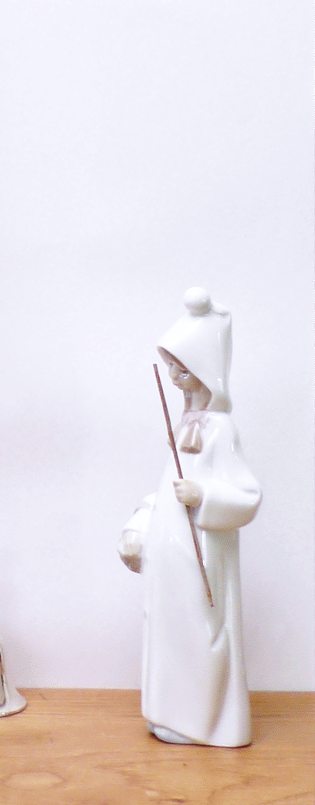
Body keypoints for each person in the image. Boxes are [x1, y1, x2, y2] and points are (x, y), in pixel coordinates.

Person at [118, 288, 261, 746]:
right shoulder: (184, 426)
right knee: (170, 633)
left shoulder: (220, 429)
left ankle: (202, 721)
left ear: (205, 369)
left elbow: (247, 496)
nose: (175, 377)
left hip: (201, 555)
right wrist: (139, 527)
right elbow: (166, 492)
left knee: (200, 633)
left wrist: (203, 495)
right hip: (172, 556)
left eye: (183, 368)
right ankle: (171, 713)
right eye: (171, 367)